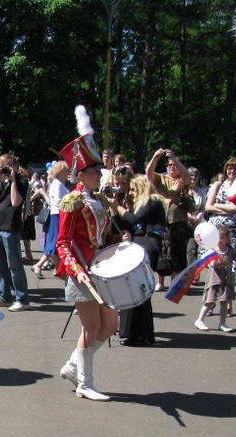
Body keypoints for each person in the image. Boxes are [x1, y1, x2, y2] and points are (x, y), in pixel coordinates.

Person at [56, 119, 119, 402]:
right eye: (95, 171)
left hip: (101, 271)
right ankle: (85, 383)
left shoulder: (99, 200)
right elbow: (62, 242)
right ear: (81, 174)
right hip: (81, 272)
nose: (99, 175)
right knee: (91, 329)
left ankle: (73, 366)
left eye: (99, 171)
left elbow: (102, 238)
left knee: (110, 326)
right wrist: (76, 270)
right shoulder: (73, 201)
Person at [109, 173, 165, 346]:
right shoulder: (140, 204)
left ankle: (140, 334)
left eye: (133, 189)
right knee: (137, 290)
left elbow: (135, 219)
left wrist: (118, 206)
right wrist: (113, 210)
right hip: (140, 244)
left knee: (140, 289)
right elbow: (125, 225)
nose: (131, 193)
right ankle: (139, 333)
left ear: (141, 188)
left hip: (149, 246)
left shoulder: (153, 201)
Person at [0, 153, 30, 311]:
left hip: (11, 227)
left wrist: (12, 180)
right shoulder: (1, 182)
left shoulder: (22, 181)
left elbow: (15, 201)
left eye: (10, 165)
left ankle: (22, 298)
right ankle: (4, 295)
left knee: (15, 264)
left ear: (16, 166)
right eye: (3, 165)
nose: (6, 168)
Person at [146, 148, 193, 290]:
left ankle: (175, 280)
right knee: (161, 251)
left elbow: (185, 174)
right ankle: (160, 281)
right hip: (161, 220)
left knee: (177, 252)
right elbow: (148, 174)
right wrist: (155, 157)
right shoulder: (161, 178)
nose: (172, 167)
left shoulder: (182, 181)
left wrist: (174, 158)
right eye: (169, 165)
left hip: (178, 221)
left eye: (174, 165)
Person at [195, 226, 236, 332]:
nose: (220, 240)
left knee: (224, 302)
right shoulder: (212, 250)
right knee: (209, 301)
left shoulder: (230, 251)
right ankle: (200, 320)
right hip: (214, 280)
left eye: (222, 238)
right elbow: (212, 264)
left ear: (227, 239)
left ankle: (222, 323)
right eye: (218, 238)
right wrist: (219, 261)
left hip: (226, 280)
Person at [205, 157, 236, 285]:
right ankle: (213, 284)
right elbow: (208, 206)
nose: (232, 170)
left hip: (232, 229)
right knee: (215, 255)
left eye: (235, 168)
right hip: (216, 228)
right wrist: (228, 210)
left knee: (231, 256)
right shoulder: (218, 185)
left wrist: (218, 205)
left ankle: (229, 287)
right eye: (229, 167)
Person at [32, 161, 68, 278]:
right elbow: (58, 203)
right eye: (65, 171)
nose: (67, 173)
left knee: (55, 242)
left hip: (56, 214)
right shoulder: (58, 185)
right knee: (55, 242)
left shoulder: (57, 184)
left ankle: (56, 269)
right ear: (60, 172)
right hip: (58, 215)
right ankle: (39, 264)